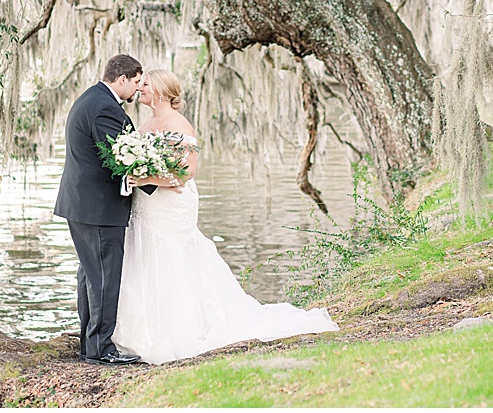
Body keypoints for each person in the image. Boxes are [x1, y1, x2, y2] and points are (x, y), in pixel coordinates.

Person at [112, 69, 339, 365]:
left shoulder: (179, 124)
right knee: (143, 255)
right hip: (146, 204)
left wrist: (144, 179)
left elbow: (187, 171)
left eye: (145, 84)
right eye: (139, 84)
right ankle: (140, 329)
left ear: (162, 91)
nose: (139, 88)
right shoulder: (145, 122)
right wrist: (137, 173)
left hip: (171, 205)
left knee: (169, 257)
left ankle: (180, 330)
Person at [53, 54, 155, 366]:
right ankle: (101, 349)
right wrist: (156, 182)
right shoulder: (105, 108)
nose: (138, 89)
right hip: (97, 208)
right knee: (103, 278)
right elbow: (121, 158)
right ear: (121, 79)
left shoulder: (92, 98)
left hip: (84, 204)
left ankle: (90, 345)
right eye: (136, 82)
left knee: (90, 275)